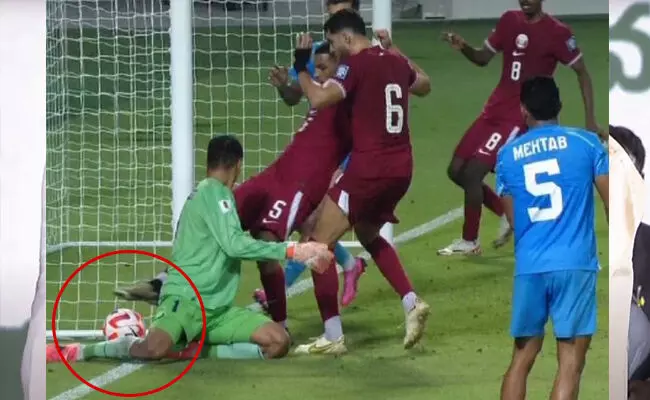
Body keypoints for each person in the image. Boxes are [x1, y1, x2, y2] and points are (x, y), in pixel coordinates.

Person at [114, 0, 368, 310]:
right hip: (286, 170)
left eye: (338, 12)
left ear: (351, 21)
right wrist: (290, 82)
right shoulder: (327, 56)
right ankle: (167, 281)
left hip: (325, 173)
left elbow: (326, 98)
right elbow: (300, 95)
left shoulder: (360, 71)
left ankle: (323, 316)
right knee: (228, 214)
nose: (330, 16)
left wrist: (303, 69)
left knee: (307, 238)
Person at [46, 135, 333, 364]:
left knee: (278, 341)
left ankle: (188, 350)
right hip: (186, 302)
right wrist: (293, 250)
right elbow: (235, 245)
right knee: (151, 350)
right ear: (238, 164)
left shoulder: (215, 196)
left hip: (217, 312)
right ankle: (81, 351)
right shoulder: (214, 194)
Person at [290, 9, 432, 354]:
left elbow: (319, 98)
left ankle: (332, 336)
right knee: (368, 232)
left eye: (333, 43)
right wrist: (394, 48)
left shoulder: (354, 65)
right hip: (402, 167)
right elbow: (425, 85)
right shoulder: (394, 60)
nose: (333, 51)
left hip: (371, 167)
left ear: (347, 37)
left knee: (317, 243)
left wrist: (300, 66)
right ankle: (411, 302)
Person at [438, 0, 602, 256]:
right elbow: (483, 58)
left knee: (472, 174)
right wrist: (464, 47)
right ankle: (505, 212)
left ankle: (470, 241)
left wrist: (590, 119)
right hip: (494, 109)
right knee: (455, 170)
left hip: (519, 114)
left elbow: (582, 72)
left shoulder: (557, 32)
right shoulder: (509, 20)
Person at [495, 76, 608, 400]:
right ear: (559, 105)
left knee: (521, 359)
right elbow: (613, 203)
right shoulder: (587, 143)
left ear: (523, 110)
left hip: (530, 266)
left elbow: (514, 219)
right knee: (570, 363)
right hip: (575, 264)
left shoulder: (507, 155)